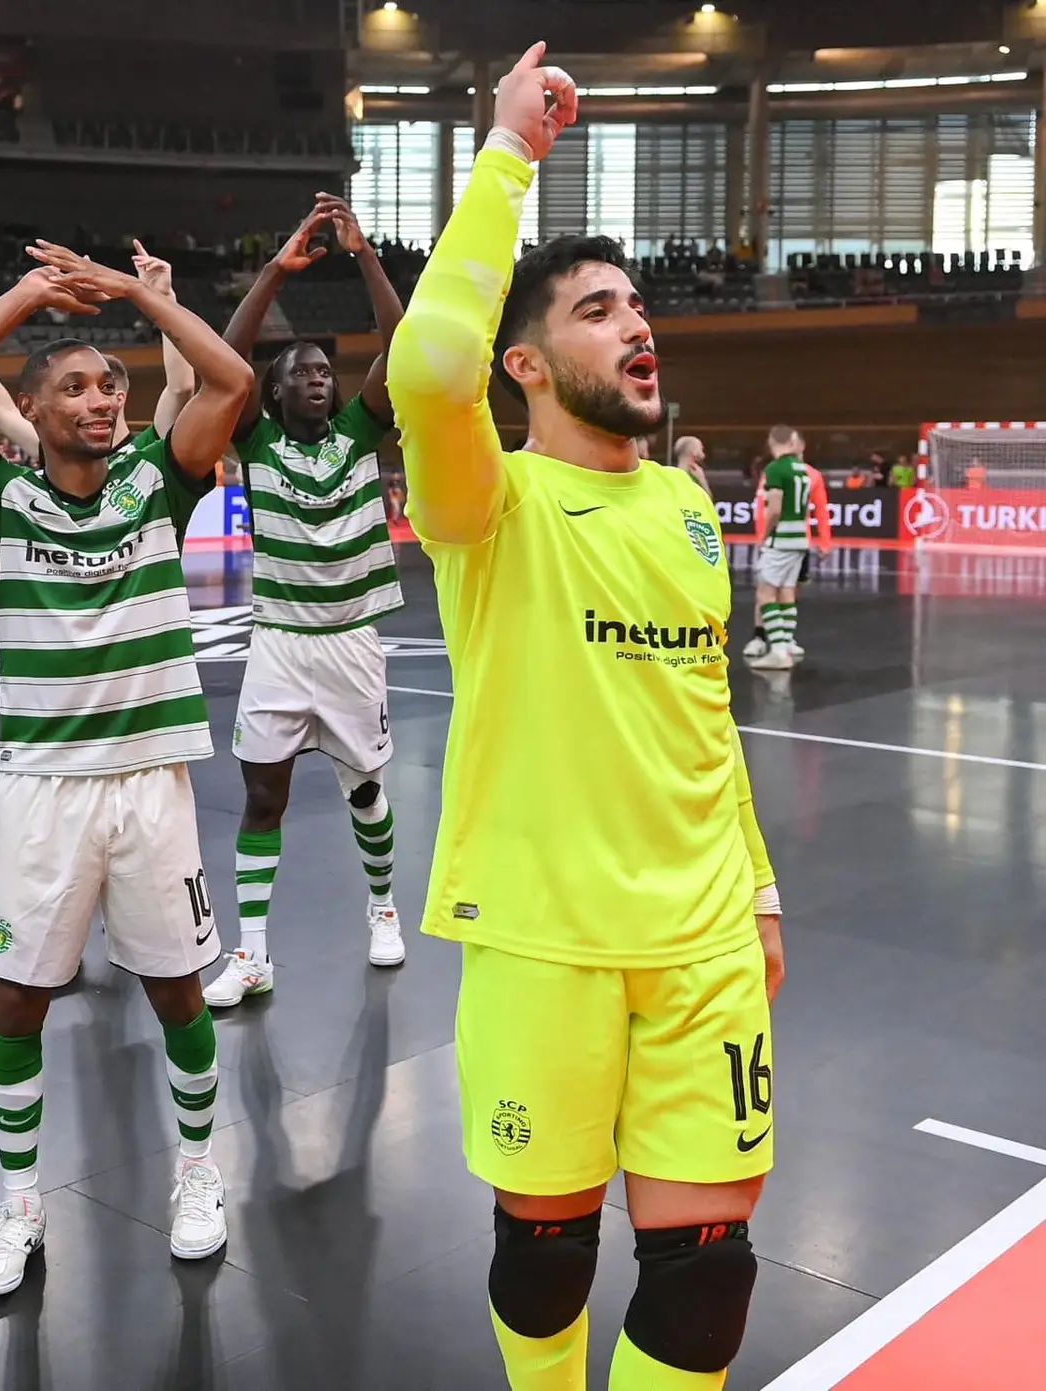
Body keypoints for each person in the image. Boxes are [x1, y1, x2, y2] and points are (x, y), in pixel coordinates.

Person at [387, 45, 784, 1390]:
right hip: (544, 942)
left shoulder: (682, 501)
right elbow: (427, 364)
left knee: (711, 1269)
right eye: (601, 308)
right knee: (546, 1251)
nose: (638, 323)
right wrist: (508, 158)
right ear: (531, 365)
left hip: (703, 938)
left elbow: (704, 713)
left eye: (641, 305)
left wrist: (762, 886)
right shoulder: (484, 503)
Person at [0, 244, 256, 1297]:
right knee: (18, 1001)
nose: (103, 399)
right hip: (43, 790)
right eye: (76, 384)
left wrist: (144, 296)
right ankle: (19, 1201)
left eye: (113, 383)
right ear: (31, 405)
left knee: (177, 991)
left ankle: (199, 1171)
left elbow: (232, 380)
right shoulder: (1, 502)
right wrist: (23, 298)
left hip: (151, 783)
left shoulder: (158, 482)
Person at [201, 192, 408, 1010]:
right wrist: (276, 271)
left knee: (364, 787)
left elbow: (403, 339)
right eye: (306, 374)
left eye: (328, 372)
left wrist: (364, 254)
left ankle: (382, 905)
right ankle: (252, 953)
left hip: (352, 640)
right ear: (278, 393)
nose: (322, 380)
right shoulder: (255, 440)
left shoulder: (362, 430)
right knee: (262, 793)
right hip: (281, 643)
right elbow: (226, 358)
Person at [0, 237, 196, 455]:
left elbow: (180, 387)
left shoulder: (149, 451)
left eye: (105, 386)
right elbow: (1, 412)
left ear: (118, 398)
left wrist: (162, 297)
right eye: (75, 389)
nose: (90, 397)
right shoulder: (61, 452)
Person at [745, 426, 829, 671]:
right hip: (800, 539)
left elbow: (774, 508)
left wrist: (765, 533)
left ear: (772, 442)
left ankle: (779, 650)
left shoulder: (775, 469)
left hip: (781, 538)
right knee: (788, 593)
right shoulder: (805, 471)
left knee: (765, 593)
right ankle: (786, 644)